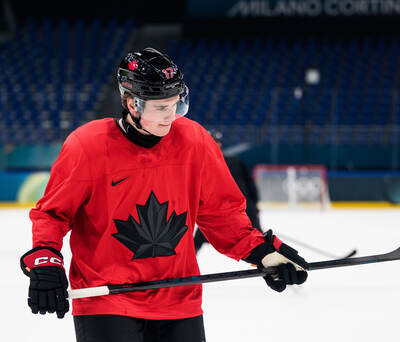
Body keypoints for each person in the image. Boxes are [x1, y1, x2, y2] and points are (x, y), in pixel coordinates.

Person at [19, 48, 309, 342]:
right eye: (160, 108)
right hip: (107, 300)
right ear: (132, 104)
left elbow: (221, 214)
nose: (171, 116)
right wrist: (46, 259)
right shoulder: (87, 146)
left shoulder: (196, 141)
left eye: (176, 105)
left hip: (178, 300)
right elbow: (53, 213)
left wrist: (262, 252)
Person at [194, 129, 262, 253]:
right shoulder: (203, 164)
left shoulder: (203, 163)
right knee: (259, 240)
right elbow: (250, 185)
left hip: (233, 207)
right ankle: (269, 266)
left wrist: (254, 205)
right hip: (220, 209)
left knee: (260, 240)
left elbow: (249, 185)